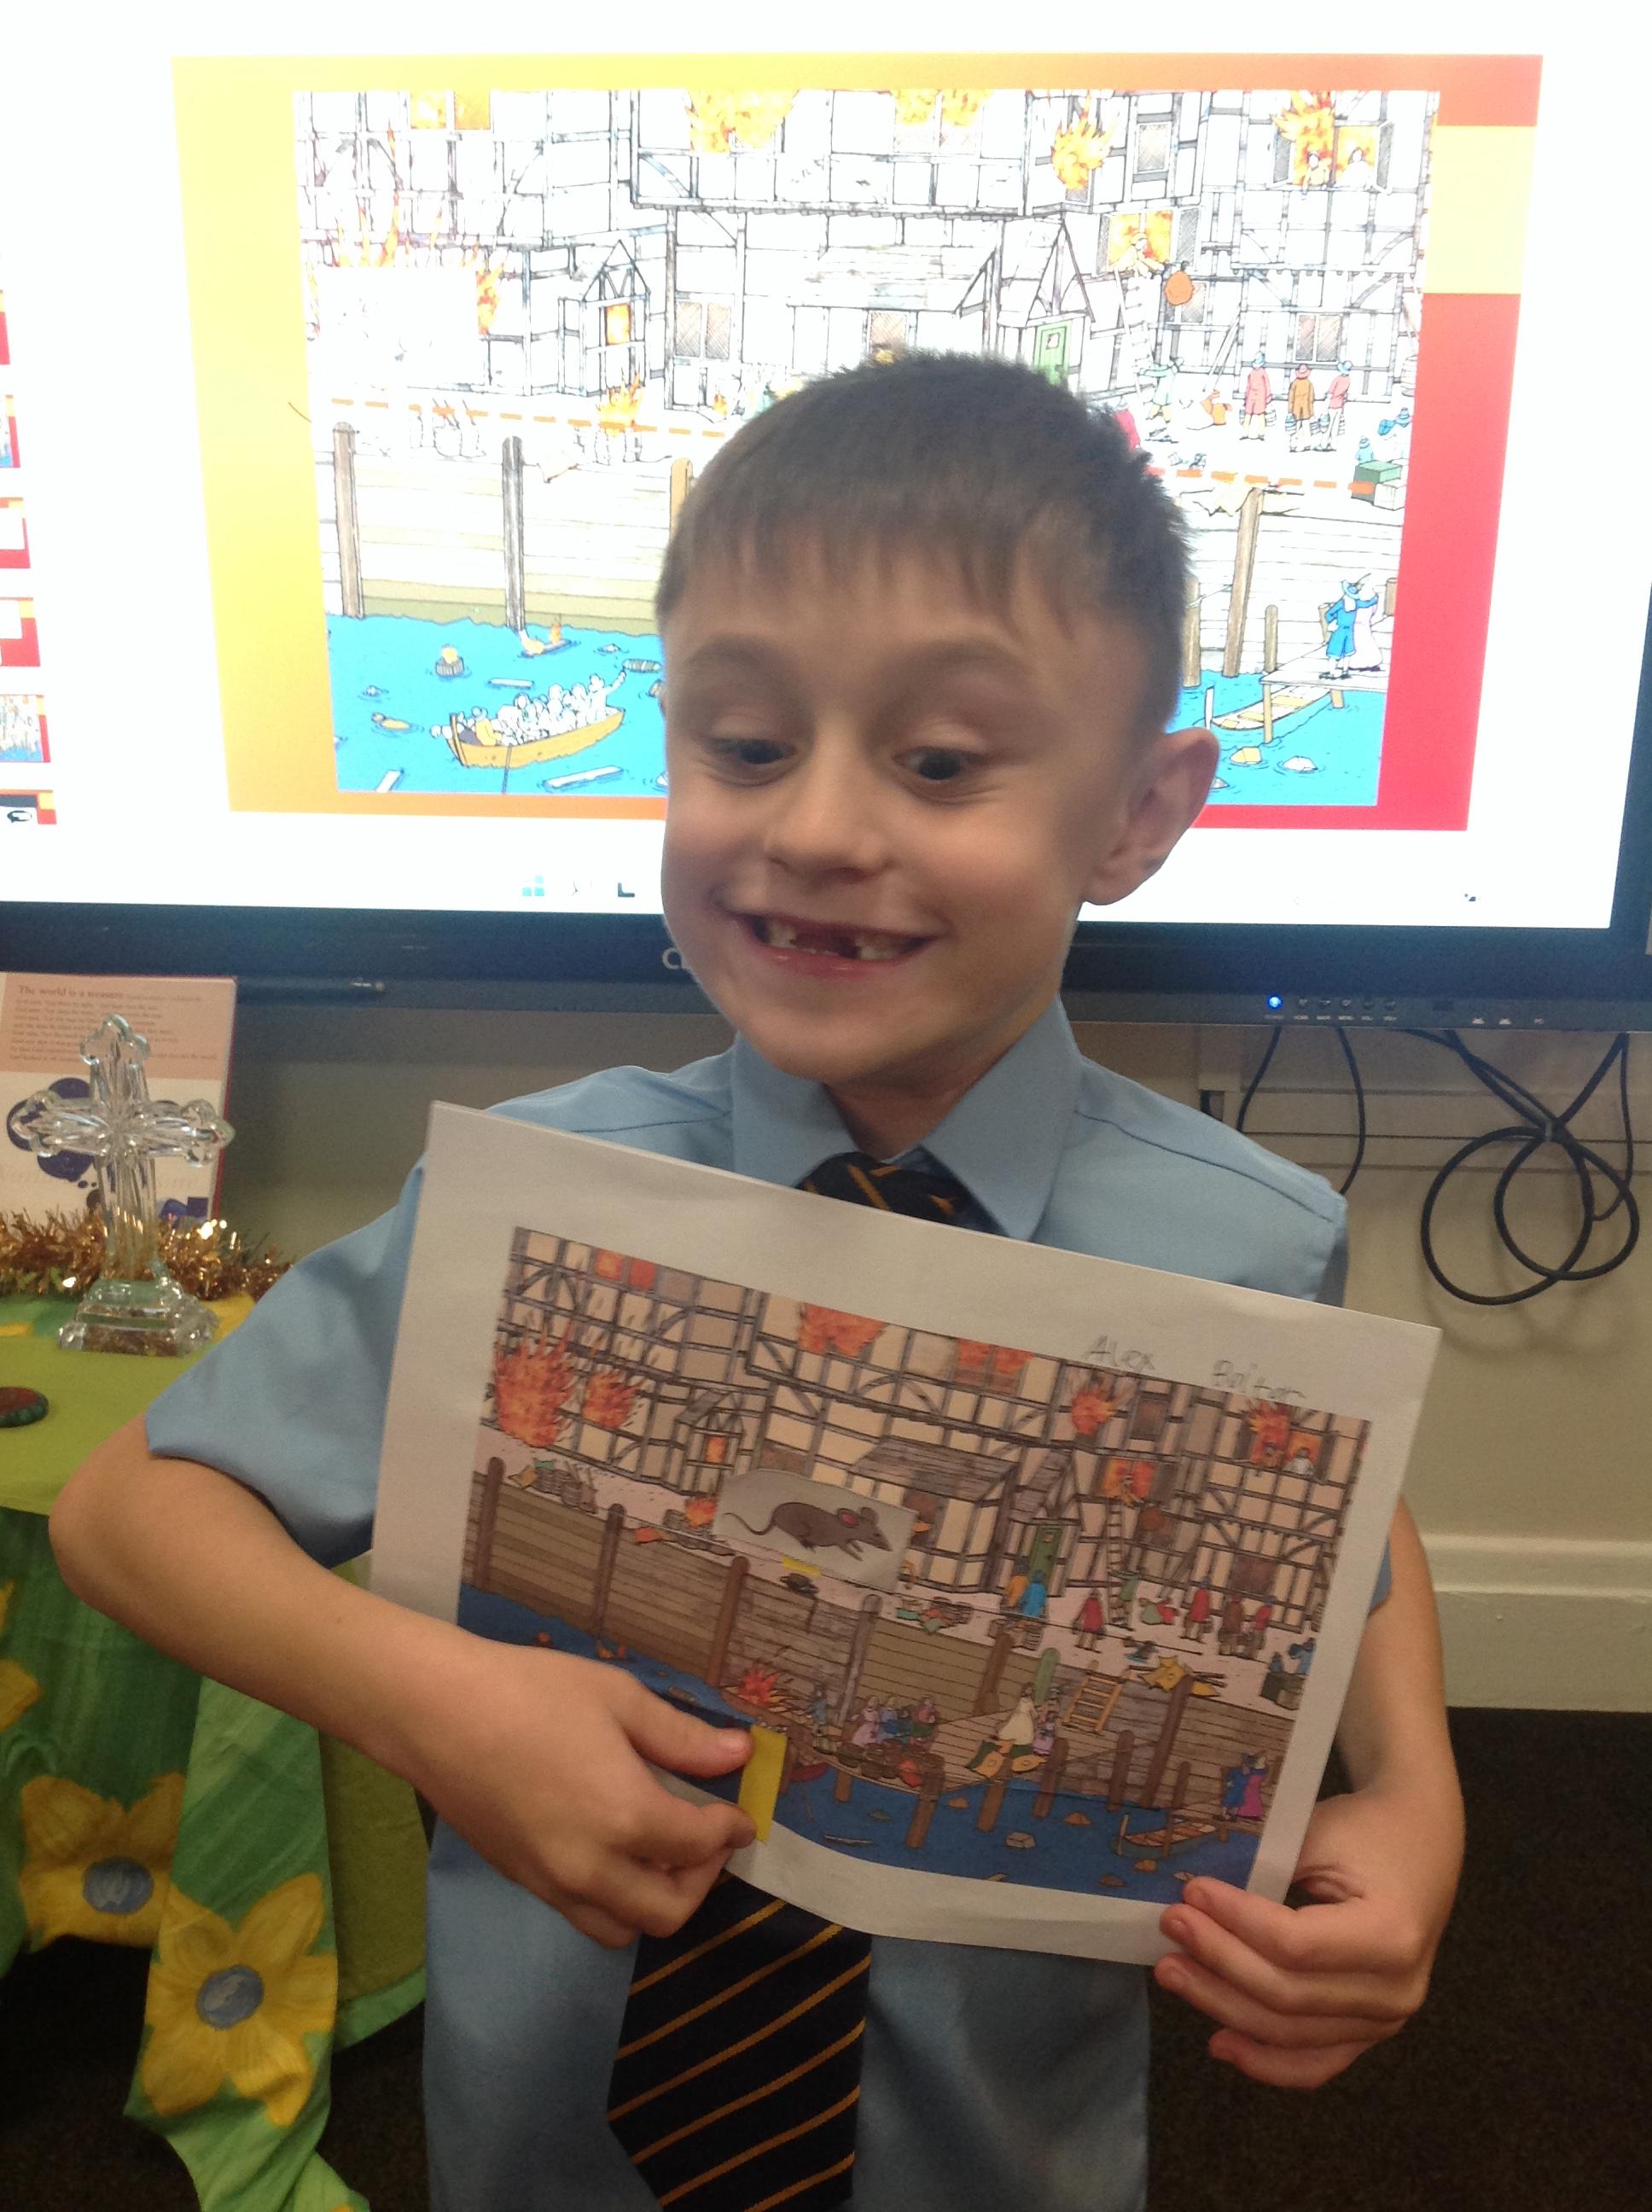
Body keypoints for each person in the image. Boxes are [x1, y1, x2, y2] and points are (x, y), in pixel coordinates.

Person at [51, 353, 1463, 2212]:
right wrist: (428, 1702)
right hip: (552, 2146)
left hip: (998, 2151)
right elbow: (130, 1511)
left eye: (939, 761)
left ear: (1137, 811)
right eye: (741, 744)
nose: (812, 830)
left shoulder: (1244, 1235)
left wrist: (1413, 1792)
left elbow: (1343, 1512)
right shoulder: (536, 1203)